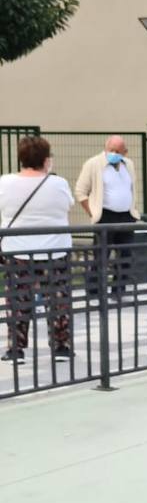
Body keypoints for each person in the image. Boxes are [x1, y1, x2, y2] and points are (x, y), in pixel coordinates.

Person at [1, 136, 75, 363]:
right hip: (54, 250)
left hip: (17, 251)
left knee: (18, 300)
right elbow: (67, 205)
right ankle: (61, 346)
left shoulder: (4, 182)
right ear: (46, 159)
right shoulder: (58, 183)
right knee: (58, 298)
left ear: (21, 158)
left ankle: (16, 349)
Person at [75, 134, 140, 299]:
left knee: (126, 255)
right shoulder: (94, 164)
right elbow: (81, 192)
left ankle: (119, 291)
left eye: (119, 151)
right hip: (105, 216)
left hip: (126, 216)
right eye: (111, 150)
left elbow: (131, 188)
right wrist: (94, 213)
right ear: (106, 148)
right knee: (101, 256)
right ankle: (94, 291)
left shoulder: (129, 164)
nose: (115, 154)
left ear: (125, 152)